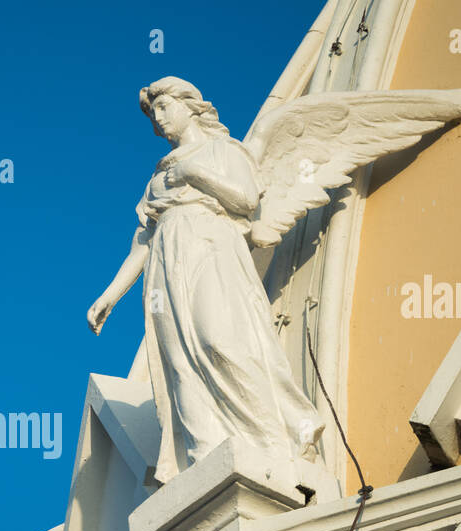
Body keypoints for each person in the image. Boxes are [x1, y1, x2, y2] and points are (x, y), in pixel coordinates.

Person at [87, 76, 323, 484]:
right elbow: (143, 243)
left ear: (190, 106)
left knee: (221, 339)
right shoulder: (157, 179)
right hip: (165, 262)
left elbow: (246, 201)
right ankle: (205, 457)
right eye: (152, 114)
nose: (157, 120)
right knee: (179, 360)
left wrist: (196, 173)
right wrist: (110, 295)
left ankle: (274, 442)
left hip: (211, 248)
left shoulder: (222, 151)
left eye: (163, 108)